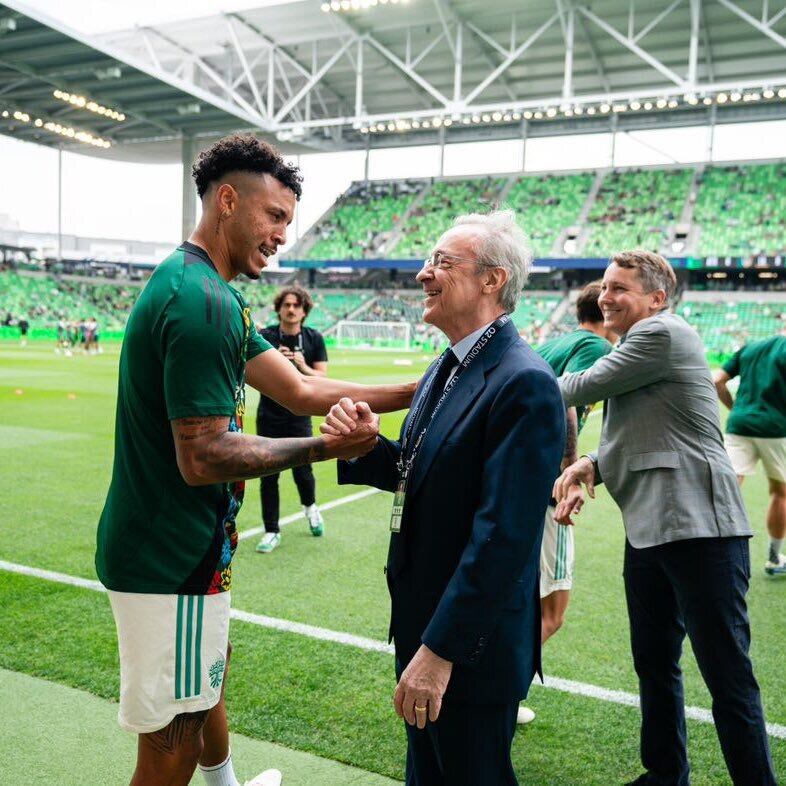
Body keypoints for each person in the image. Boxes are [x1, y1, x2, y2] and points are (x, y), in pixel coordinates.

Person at [96, 133, 415, 786]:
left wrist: (428, 386)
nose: (280, 236)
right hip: (170, 560)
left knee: (206, 681)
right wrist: (328, 446)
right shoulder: (202, 303)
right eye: (274, 217)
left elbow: (301, 389)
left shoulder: (202, 287)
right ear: (229, 200)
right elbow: (205, 456)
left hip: (182, 552)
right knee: (169, 749)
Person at [324, 210, 565, 786]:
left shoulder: (523, 381)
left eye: (441, 263)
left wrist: (440, 652)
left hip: (466, 651)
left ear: (492, 280)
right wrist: (361, 446)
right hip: (426, 626)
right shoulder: (448, 365)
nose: (422, 274)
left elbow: (503, 537)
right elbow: (418, 471)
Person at [554, 250, 776, 786]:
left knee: (727, 675)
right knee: (654, 663)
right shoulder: (639, 344)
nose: (605, 296)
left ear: (656, 298)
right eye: (604, 287)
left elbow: (578, 386)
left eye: (619, 288)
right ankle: (665, 774)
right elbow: (647, 433)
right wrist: (589, 464)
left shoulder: (661, 334)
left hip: (702, 530)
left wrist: (507, 377)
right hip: (651, 529)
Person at [517, 280, 617, 726]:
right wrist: (571, 469)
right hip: (542, 483)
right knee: (553, 611)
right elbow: (563, 396)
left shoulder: (559, 340)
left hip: (514, 477)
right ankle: (496, 692)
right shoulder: (595, 346)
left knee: (520, 599)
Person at [255, 286, 328, 554]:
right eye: (286, 304)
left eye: (296, 305)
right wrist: (278, 365)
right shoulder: (266, 336)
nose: (291, 309)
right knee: (268, 474)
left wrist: (302, 366)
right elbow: (254, 371)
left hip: (299, 417)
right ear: (279, 308)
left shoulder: (314, 338)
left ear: (304, 310)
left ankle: (310, 507)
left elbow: (322, 378)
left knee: (303, 469)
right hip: (269, 416)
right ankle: (271, 531)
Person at [715, 330, 786, 575]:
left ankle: (708, 553)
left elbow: (717, 380)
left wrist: (735, 409)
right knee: (781, 493)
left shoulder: (751, 346)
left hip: (739, 424)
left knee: (727, 486)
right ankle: (774, 557)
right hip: (776, 428)